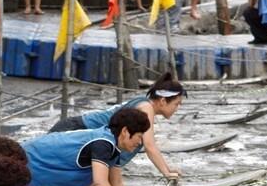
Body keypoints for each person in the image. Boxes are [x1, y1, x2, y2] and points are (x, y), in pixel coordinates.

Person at [18, 105, 150, 186]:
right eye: (139, 136)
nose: (140, 142)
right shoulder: (103, 143)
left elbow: (116, 182)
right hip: (23, 166)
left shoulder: (113, 145)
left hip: (39, 171)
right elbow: (101, 184)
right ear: (125, 132)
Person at [45, 73, 185, 180]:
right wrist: (166, 173)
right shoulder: (146, 107)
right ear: (162, 101)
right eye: (176, 104)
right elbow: (149, 146)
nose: (178, 108)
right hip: (72, 131)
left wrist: (168, 169)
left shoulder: (144, 104)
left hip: (73, 130)